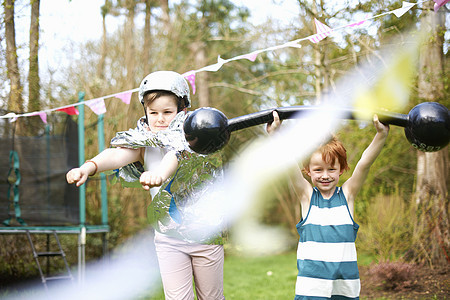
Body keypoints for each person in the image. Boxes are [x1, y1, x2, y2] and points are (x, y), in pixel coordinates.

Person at [66, 70, 280, 300]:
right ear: (145, 112)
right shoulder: (142, 141)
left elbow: (175, 155)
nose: (159, 119)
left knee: (212, 297)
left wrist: (159, 174)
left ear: (182, 110)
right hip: (169, 239)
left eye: (167, 112)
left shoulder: (195, 138)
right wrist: (87, 168)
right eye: (153, 112)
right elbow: (115, 155)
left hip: (206, 235)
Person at [292, 115, 389, 300]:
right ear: (308, 171)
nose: (325, 175)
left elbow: (364, 164)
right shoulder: (307, 197)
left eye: (331, 169)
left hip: (345, 288)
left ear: (342, 169)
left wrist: (381, 135)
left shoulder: (347, 195)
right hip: (312, 289)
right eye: (318, 170)